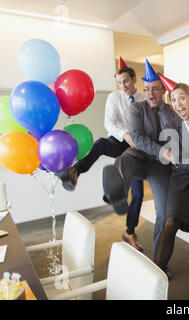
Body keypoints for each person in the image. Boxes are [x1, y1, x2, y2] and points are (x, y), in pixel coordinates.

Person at [57, 59, 145, 252]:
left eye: (126, 81)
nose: (123, 86)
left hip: (138, 148)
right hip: (119, 140)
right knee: (100, 144)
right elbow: (109, 124)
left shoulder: (144, 99)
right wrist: (125, 134)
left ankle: (129, 231)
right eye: (120, 82)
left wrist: (137, 139)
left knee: (138, 194)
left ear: (134, 79)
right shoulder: (114, 97)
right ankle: (75, 172)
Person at [102, 59, 177, 278]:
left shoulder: (173, 112)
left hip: (159, 168)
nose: (151, 93)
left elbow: (181, 136)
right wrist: (164, 151)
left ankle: (159, 261)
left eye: (155, 89)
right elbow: (138, 138)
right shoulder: (136, 108)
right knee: (125, 162)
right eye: (147, 89)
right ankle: (116, 189)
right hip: (139, 156)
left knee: (163, 212)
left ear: (163, 89)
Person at [153, 77, 189, 299]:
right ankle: (154, 273)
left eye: (182, 98)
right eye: (173, 100)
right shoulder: (171, 126)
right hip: (181, 182)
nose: (177, 104)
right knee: (170, 223)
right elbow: (177, 159)